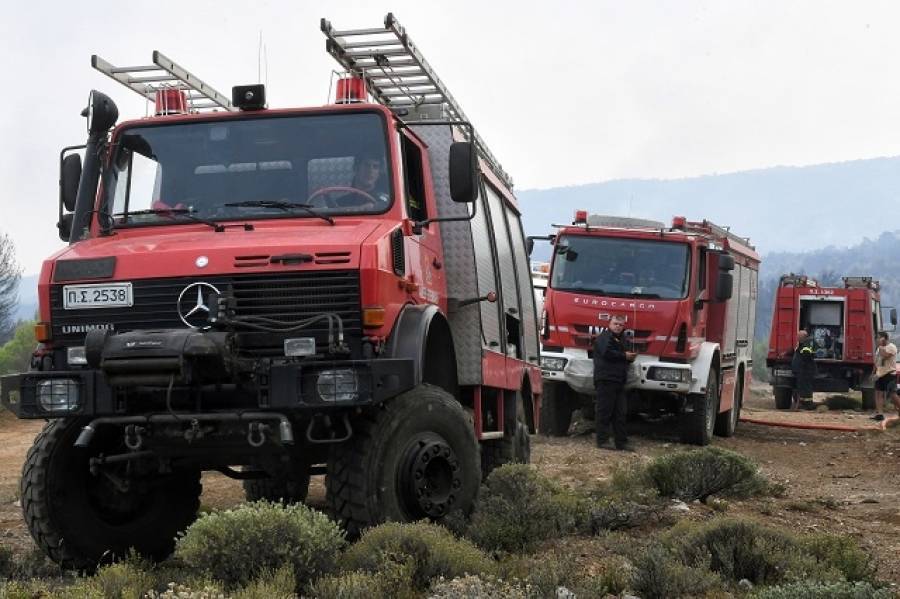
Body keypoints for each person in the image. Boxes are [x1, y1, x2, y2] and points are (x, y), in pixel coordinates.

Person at [593, 314, 638, 450]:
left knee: (620, 412)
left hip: (619, 381)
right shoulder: (604, 337)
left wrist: (631, 356)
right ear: (609, 324)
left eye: (620, 325)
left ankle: (621, 442)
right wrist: (624, 355)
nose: (618, 327)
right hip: (606, 379)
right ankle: (602, 441)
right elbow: (607, 352)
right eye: (615, 324)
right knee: (604, 411)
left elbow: (627, 354)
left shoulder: (623, 339)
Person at [872, 332, 900, 421]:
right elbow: (877, 361)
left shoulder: (892, 347)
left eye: (879, 338)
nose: (877, 339)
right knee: (878, 393)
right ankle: (880, 414)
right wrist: (873, 372)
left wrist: (880, 346)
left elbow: (885, 356)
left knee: (892, 394)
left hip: (889, 374)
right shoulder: (879, 349)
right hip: (880, 374)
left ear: (884, 338)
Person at [790, 329, 816, 410]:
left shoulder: (806, 346)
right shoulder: (801, 345)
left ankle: (808, 405)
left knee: (806, 388)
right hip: (801, 371)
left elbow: (806, 357)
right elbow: (797, 352)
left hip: (805, 371)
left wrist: (801, 367)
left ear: (804, 337)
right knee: (801, 388)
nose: (797, 337)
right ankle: (802, 403)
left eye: (799, 336)